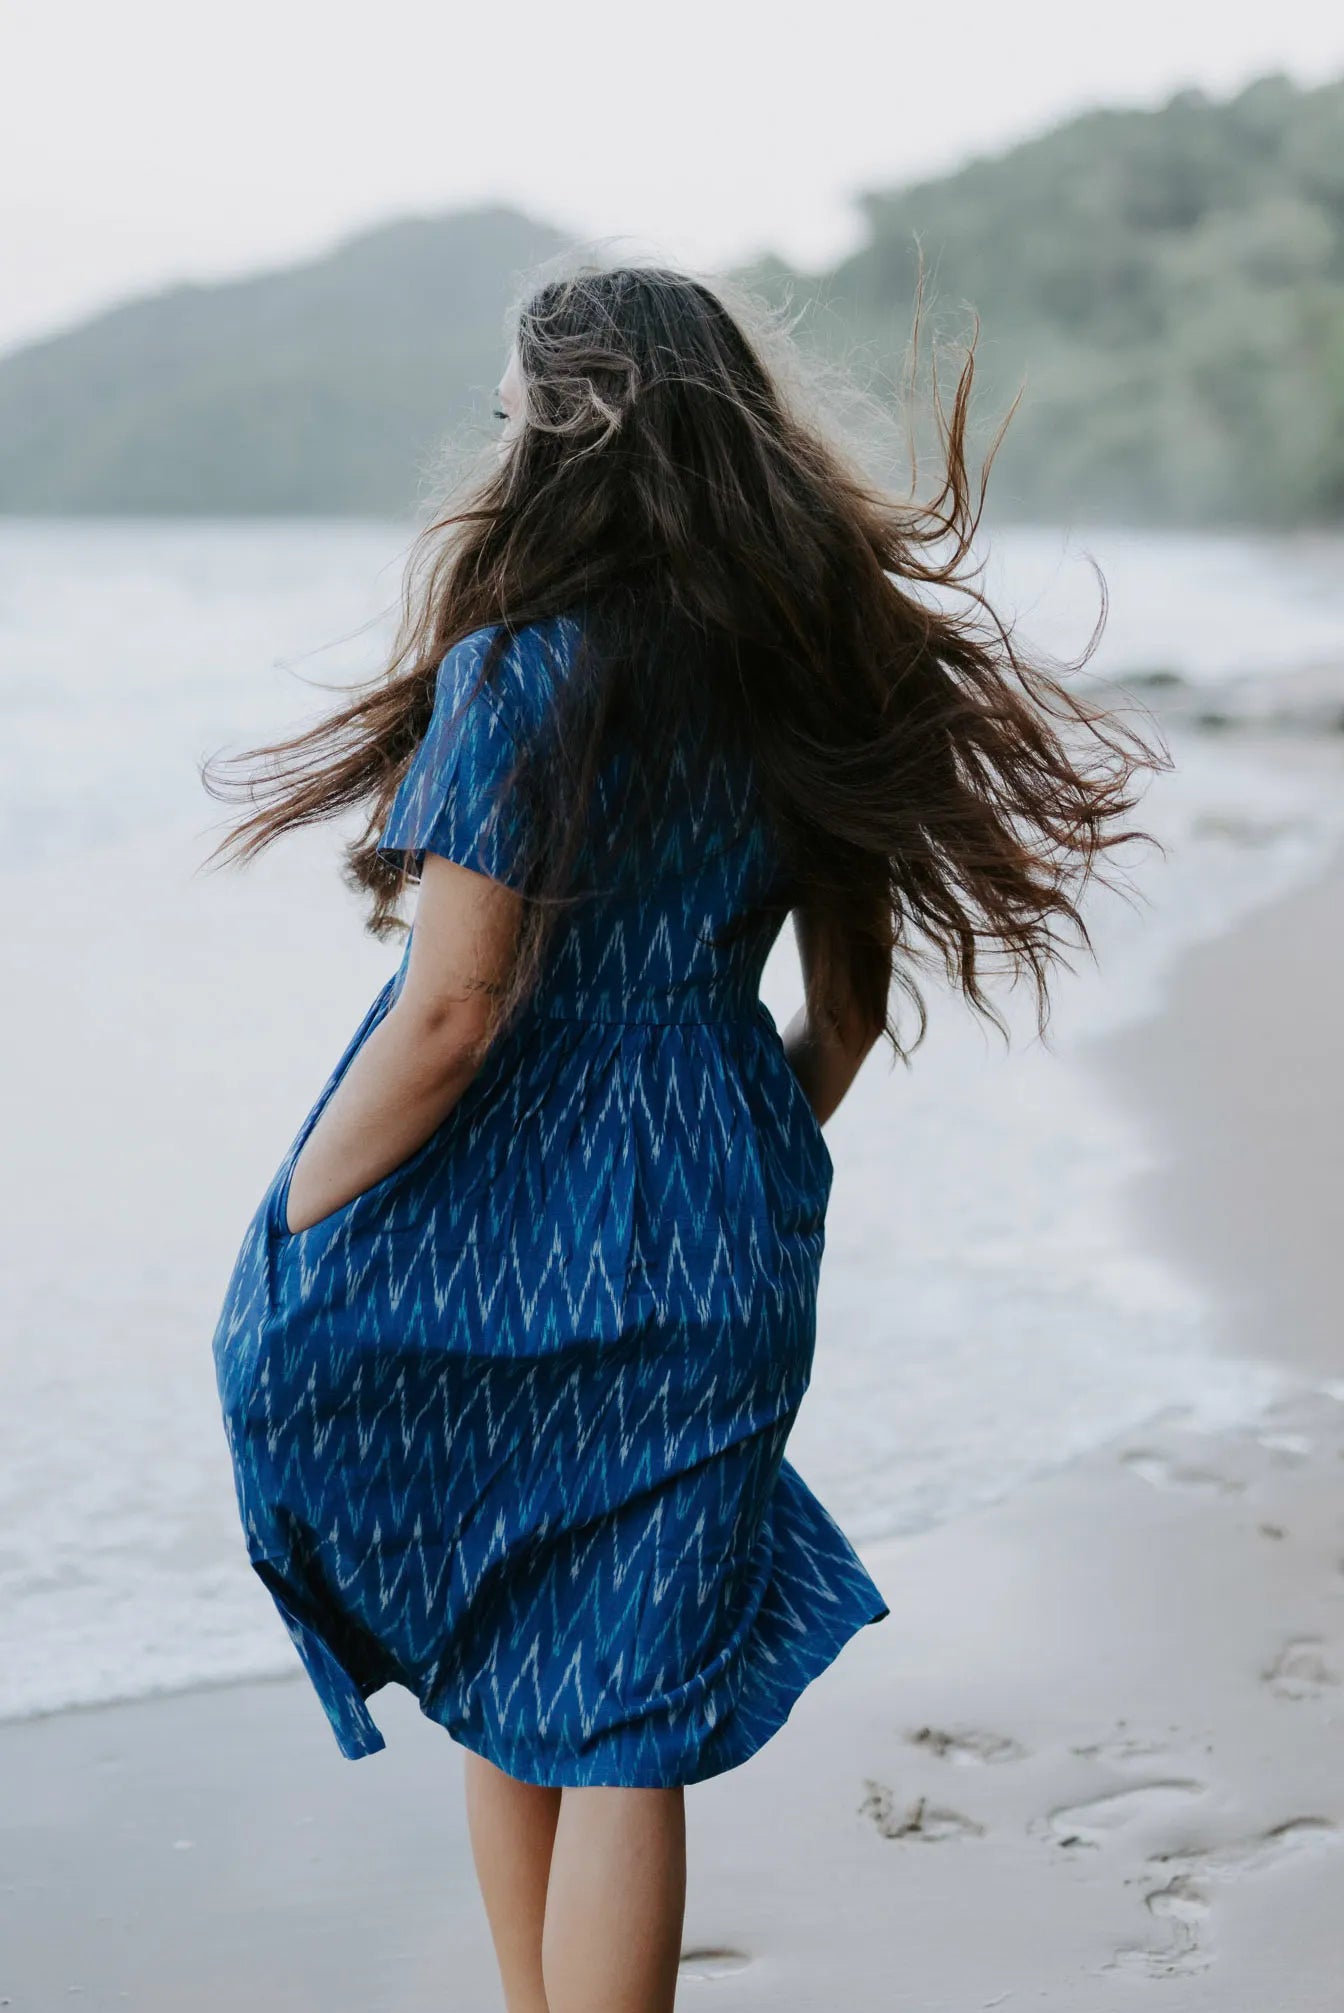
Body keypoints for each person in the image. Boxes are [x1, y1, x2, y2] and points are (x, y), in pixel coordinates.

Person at [203, 259, 1156, 2013]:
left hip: (484, 1217)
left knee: (502, 1628)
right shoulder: (822, 666)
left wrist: (300, 1214)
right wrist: (728, 1154)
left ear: (562, 436)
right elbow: (851, 1011)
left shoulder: (521, 670)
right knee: (617, 1686)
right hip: (723, 1204)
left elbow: (453, 1011)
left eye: (505, 418)